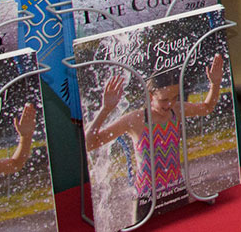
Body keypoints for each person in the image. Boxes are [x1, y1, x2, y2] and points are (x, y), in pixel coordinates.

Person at [85, 54, 225, 220]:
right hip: (146, 197)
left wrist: (215, 83)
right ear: (151, 96)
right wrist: (105, 110)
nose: (169, 104)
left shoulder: (177, 111)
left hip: (176, 191)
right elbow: (90, 143)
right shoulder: (135, 120)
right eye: (163, 100)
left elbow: (206, 107)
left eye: (174, 98)